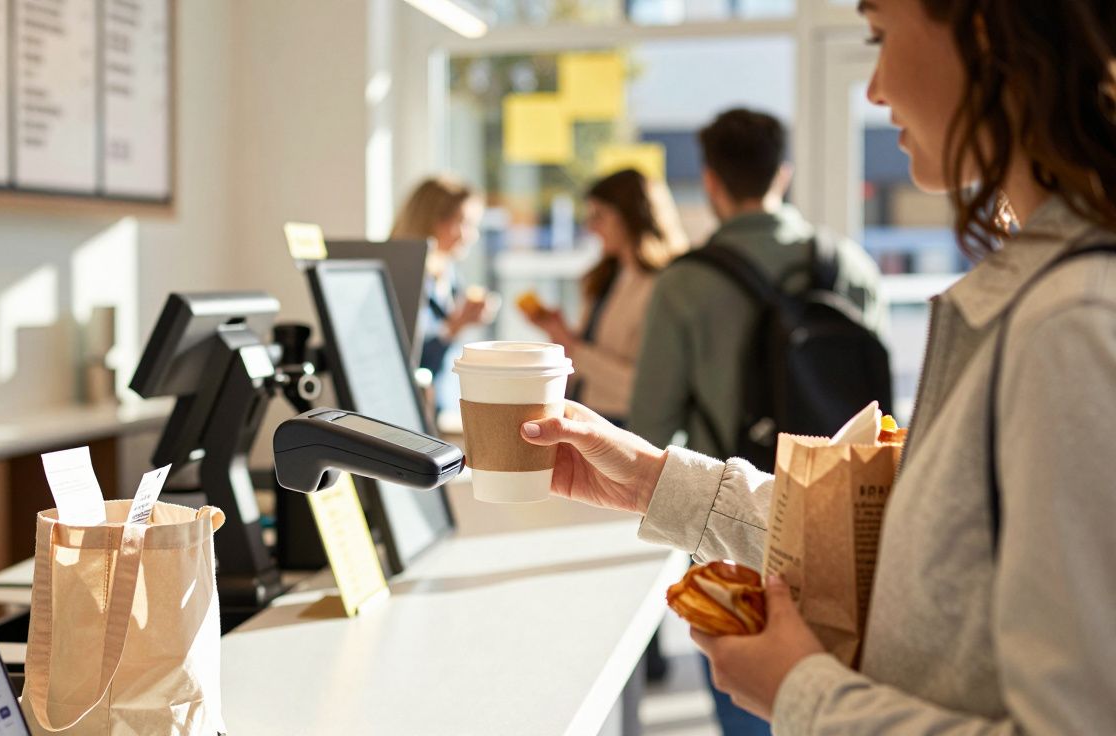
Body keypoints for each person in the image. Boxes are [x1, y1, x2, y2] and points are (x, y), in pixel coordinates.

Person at [518, 0, 1116, 732]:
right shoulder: (1017, 295)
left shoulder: (1071, 324)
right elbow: (912, 553)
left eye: (879, 35)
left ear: (986, 31)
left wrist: (801, 693)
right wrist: (649, 478)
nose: (875, 88)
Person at [630, 108, 885, 459]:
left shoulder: (683, 283)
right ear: (782, 176)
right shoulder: (850, 265)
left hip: (727, 499)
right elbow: (878, 412)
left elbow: (650, 430)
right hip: (837, 493)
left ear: (710, 181)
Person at [525, 169, 689, 425]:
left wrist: (572, 344)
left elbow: (646, 386)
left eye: (599, 216)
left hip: (627, 425)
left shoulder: (664, 286)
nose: (590, 226)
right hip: (587, 414)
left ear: (631, 216)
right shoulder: (605, 276)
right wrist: (561, 335)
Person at [391, 176, 493, 385]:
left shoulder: (450, 273)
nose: (470, 236)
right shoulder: (400, 278)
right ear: (432, 220)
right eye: (464, 223)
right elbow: (407, 361)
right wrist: (455, 326)